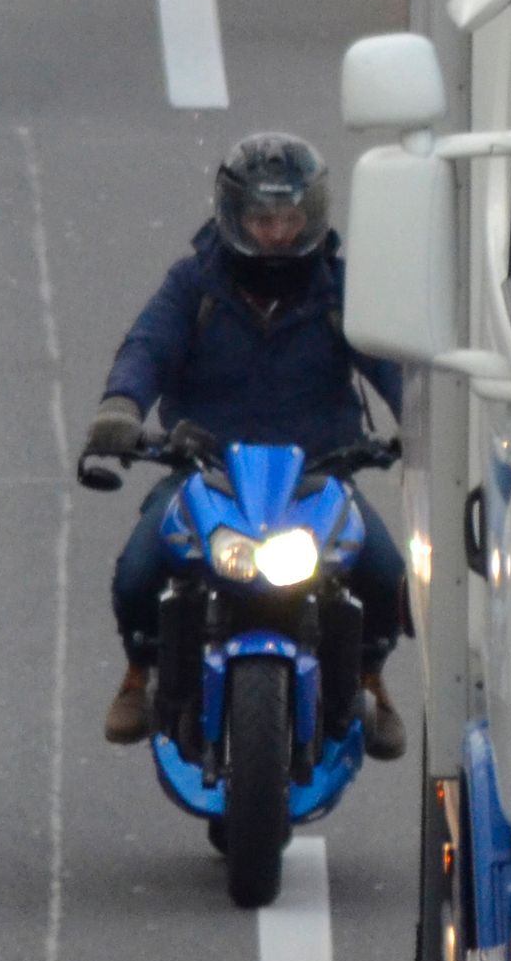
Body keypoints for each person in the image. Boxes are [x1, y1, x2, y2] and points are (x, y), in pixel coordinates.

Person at [86, 133, 410, 754]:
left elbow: (390, 360)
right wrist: (120, 407)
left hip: (320, 475)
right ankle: (139, 671)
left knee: (387, 573)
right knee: (136, 572)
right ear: (234, 217)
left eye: (291, 219)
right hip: (205, 471)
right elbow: (147, 346)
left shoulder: (343, 290)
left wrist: (423, 421)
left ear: (313, 216)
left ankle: (371, 674)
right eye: (264, 219)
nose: (279, 234)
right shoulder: (193, 285)